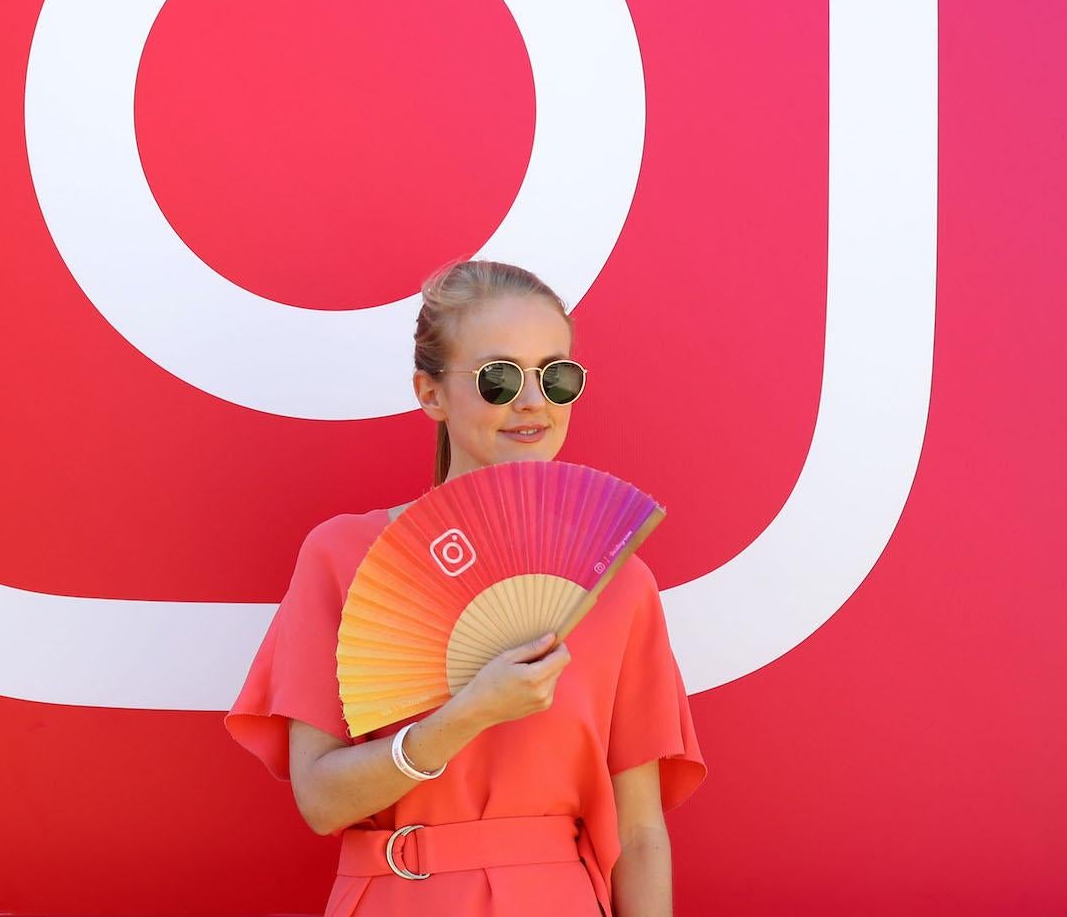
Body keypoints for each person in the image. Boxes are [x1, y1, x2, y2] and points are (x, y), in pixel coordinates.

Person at [225, 259, 706, 916]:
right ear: (430, 394)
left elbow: (642, 834)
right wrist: (465, 717)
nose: (533, 402)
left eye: (555, 375)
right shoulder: (343, 556)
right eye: (499, 377)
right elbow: (320, 801)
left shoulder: (616, 583)